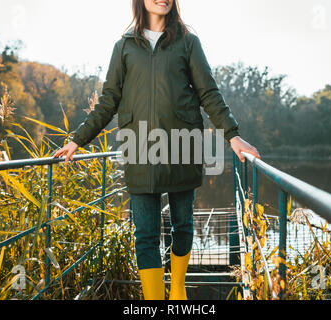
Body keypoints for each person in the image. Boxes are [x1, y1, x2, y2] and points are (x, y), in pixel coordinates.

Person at [53, 0, 260, 300]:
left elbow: (208, 92)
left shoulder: (188, 42)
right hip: (139, 151)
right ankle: (153, 301)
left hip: (183, 147)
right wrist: (77, 139)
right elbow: (108, 100)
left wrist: (233, 135)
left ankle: (177, 290)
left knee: (183, 225)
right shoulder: (124, 46)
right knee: (145, 234)